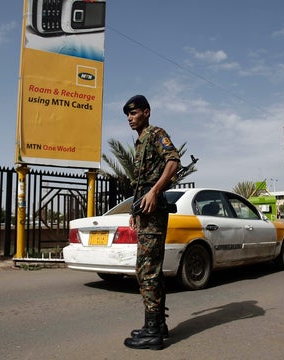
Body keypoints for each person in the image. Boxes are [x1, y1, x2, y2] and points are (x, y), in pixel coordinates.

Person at [122, 95, 180, 350]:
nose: (129, 118)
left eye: (133, 113)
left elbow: (173, 161)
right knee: (148, 268)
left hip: (154, 211)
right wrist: (135, 211)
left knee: (147, 269)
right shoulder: (140, 141)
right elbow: (141, 182)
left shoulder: (157, 133)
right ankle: (157, 324)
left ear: (146, 112)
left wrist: (155, 192)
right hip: (145, 211)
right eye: (127, 115)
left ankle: (153, 331)